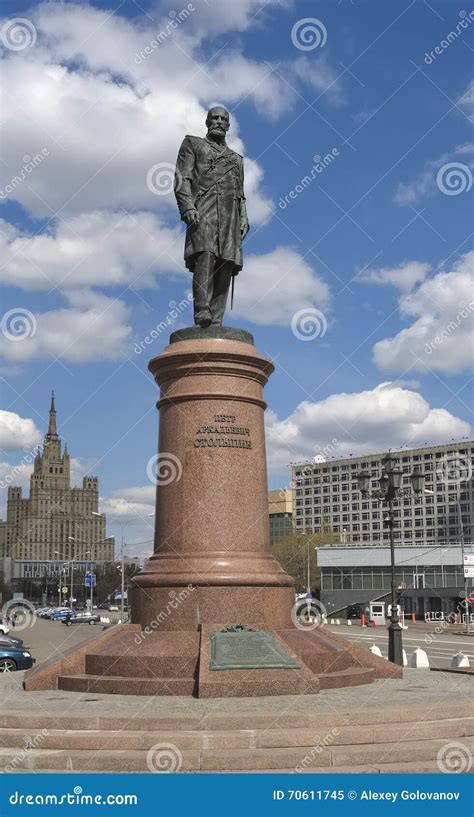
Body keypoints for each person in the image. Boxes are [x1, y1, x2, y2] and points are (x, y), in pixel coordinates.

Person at [174, 106, 249, 327]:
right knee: (205, 256)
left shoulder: (236, 159)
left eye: (223, 119)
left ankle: (216, 319)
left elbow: (241, 195)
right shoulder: (193, 144)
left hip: (230, 217)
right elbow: (182, 178)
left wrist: (243, 217)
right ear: (207, 122)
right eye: (214, 118)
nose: (218, 121)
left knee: (226, 263)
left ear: (228, 125)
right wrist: (187, 206)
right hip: (203, 210)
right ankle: (202, 310)